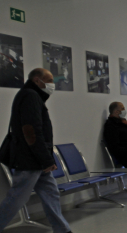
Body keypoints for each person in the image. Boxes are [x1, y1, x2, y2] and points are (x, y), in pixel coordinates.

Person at [0, 68, 72, 233]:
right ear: (37, 81)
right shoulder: (30, 96)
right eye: (49, 80)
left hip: (37, 159)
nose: (52, 85)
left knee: (51, 193)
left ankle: (62, 229)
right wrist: (46, 159)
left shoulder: (32, 96)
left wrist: (45, 159)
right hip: (30, 159)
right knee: (17, 198)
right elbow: (31, 131)